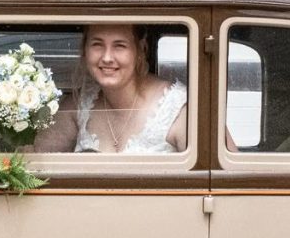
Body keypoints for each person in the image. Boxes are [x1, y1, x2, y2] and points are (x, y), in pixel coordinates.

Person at [31, 23, 187, 154]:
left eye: (119, 46)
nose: (107, 58)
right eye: (97, 45)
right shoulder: (78, 104)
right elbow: (37, 160)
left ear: (141, 50)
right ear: (85, 50)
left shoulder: (177, 109)